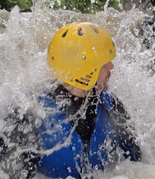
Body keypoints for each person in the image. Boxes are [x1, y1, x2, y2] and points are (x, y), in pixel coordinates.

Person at [36, 22, 141, 179]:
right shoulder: (33, 113)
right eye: (105, 62)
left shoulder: (111, 104)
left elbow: (138, 165)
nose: (111, 66)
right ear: (84, 67)